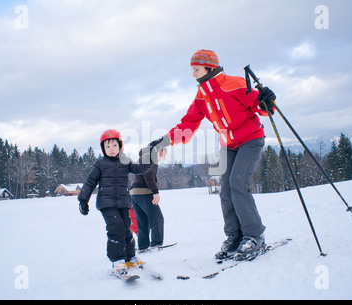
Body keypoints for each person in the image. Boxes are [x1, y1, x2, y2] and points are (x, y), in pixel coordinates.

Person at [150, 49, 277, 261]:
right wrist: (165, 141)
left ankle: (255, 236)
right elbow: (188, 125)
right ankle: (235, 237)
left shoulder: (235, 83)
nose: (193, 75)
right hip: (228, 144)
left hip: (250, 139)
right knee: (225, 190)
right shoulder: (202, 95)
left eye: (196, 69)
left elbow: (261, 107)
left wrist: (266, 101)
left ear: (209, 67)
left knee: (238, 183)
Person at [77, 129, 155, 275]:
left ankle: (130, 257)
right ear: (103, 149)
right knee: (116, 229)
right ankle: (117, 260)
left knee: (126, 229)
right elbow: (90, 182)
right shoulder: (100, 163)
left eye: (114, 145)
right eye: (107, 146)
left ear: (120, 146)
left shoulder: (125, 161)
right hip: (106, 204)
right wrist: (83, 200)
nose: (111, 149)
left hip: (123, 203)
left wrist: (150, 159)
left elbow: (139, 169)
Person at [130, 147, 167, 253]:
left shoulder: (143, 158)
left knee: (143, 221)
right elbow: (148, 175)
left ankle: (143, 246)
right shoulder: (152, 159)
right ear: (160, 152)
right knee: (157, 218)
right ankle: (156, 244)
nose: (162, 158)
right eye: (163, 155)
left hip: (134, 193)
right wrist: (155, 192)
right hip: (144, 192)